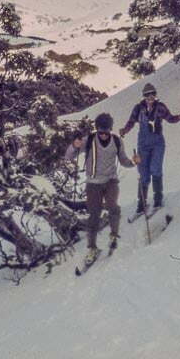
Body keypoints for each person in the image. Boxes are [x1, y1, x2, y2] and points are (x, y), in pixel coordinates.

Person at [65, 113, 139, 264]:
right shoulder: (89, 140)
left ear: (110, 129)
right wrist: (74, 146)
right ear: (97, 129)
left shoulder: (117, 141)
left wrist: (134, 162)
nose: (103, 134)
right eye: (101, 131)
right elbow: (69, 156)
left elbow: (123, 161)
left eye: (106, 131)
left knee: (113, 207)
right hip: (93, 184)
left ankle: (114, 235)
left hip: (111, 180)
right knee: (94, 215)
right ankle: (92, 248)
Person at [119, 82, 180, 212]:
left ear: (155, 95)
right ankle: (141, 203)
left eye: (152, 94)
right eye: (147, 94)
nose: (150, 97)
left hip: (157, 143)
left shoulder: (160, 107)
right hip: (143, 144)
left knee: (155, 168)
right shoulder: (138, 108)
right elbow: (131, 121)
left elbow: (170, 118)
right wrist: (124, 130)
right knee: (143, 173)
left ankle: (158, 199)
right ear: (144, 96)